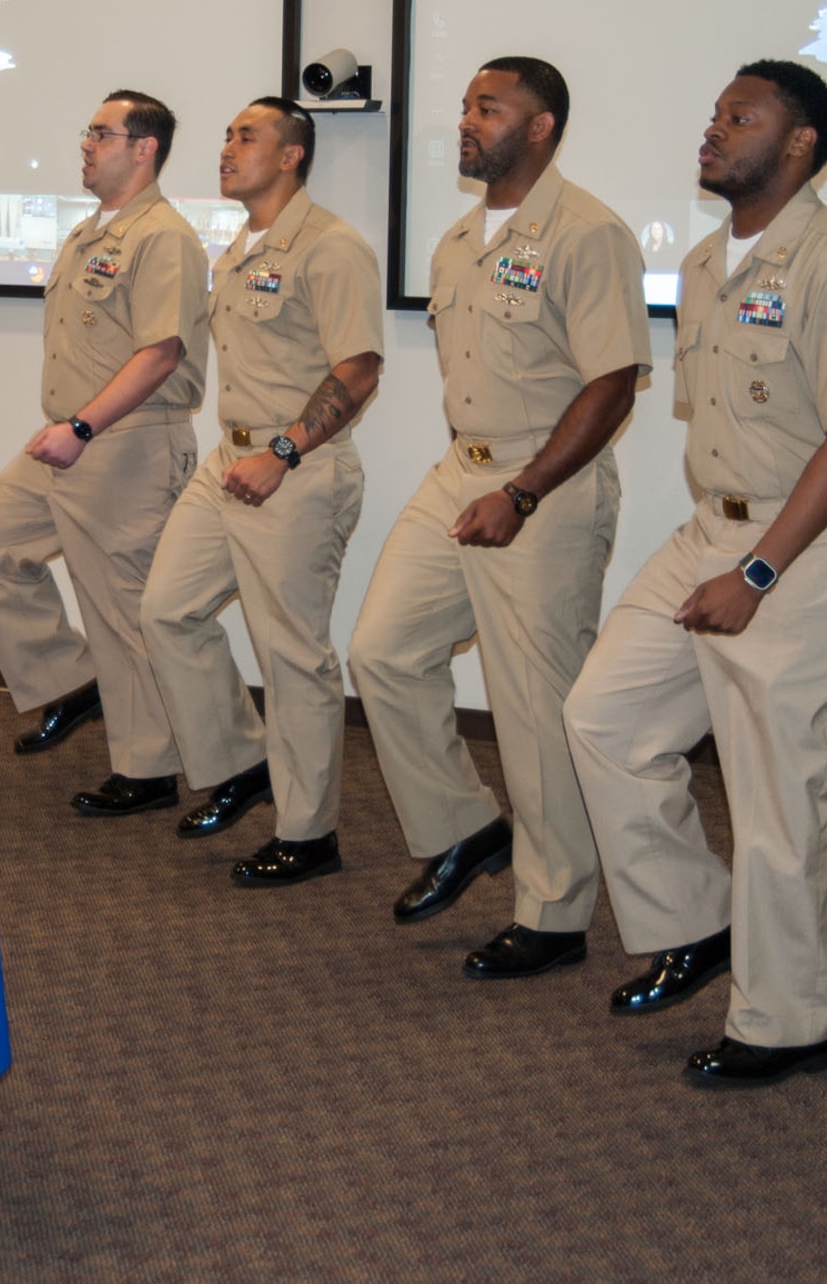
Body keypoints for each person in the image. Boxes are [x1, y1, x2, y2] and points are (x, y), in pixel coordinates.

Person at [563, 60, 827, 1088]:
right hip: (708, 531)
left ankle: (784, 1022)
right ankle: (698, 921)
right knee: (603, 719)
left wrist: (756, 570)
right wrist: (729, 556)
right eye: (712, 114)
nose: (711, 132)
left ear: (798, 144)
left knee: (775, 799)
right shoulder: (713, 258)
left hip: (799, 550)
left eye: (738, 118)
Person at [347, 57, 649, 977]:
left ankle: (554, 914)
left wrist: (523, 493)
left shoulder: (588, 233)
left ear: (542, 126)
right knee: (383, 651)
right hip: (460, 471)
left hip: (543, 484)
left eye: (489, 108)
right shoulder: (457, 241)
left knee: (531, 703)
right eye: (467, 106)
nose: (466, 122)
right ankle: (468, 826)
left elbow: (612, 384)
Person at [139, 97, 384, 886]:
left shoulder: (332, 247)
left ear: (291, 157)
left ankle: (310, 833)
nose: (227, 148)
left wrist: (282, 451)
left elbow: (359, 368)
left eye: (248, 136)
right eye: (227, 136)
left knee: (292, 654)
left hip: (295, 468)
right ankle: (246, 762)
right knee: (167, 609)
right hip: (230, 461)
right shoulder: (240, 246)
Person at [0, 90, 210, 816]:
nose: (87, 145)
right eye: (88, 132)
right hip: (71, 433)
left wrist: (84, 429)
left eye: (102, 133)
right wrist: (71, 429)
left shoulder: (164, 236)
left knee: (120, 607)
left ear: (144, 148)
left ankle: (149, 768)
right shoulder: (89, 233)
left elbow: (161, 354)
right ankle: (73, 685)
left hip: (124, 440)